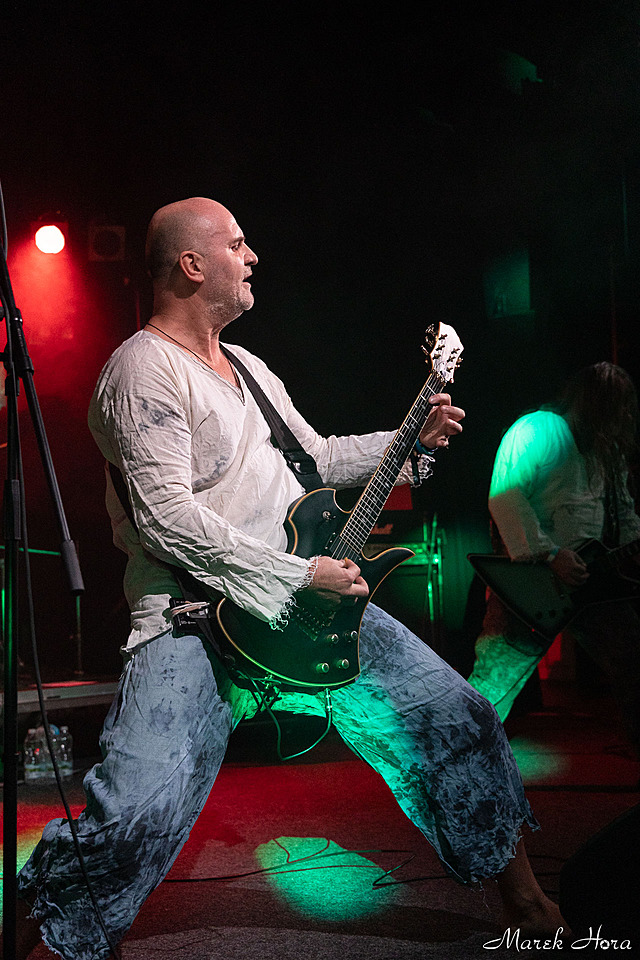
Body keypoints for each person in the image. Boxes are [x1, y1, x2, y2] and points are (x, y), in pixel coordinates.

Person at [10, 198, 565, 959]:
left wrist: (409, 440)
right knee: (134, 813)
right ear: (191, 265)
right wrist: (300, 573)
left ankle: (528, 904)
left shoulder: (249, 367)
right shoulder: (141, 370)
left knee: (456, 719)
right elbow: (167, 519)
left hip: (307, 610)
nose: (253, 257)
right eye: (236, 244)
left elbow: (319, 458)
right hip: (194, 617)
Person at [468, 362, 640, 749]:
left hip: (590, 584)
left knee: (633, 659)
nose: (623, 418)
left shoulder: (605, 453)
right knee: (494, 681)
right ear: (594, 402)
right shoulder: (539, 429)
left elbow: (624, 517)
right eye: (616, 407)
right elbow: (505, 496)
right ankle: (457, 758)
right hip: (532, 584)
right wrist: (551, 555)